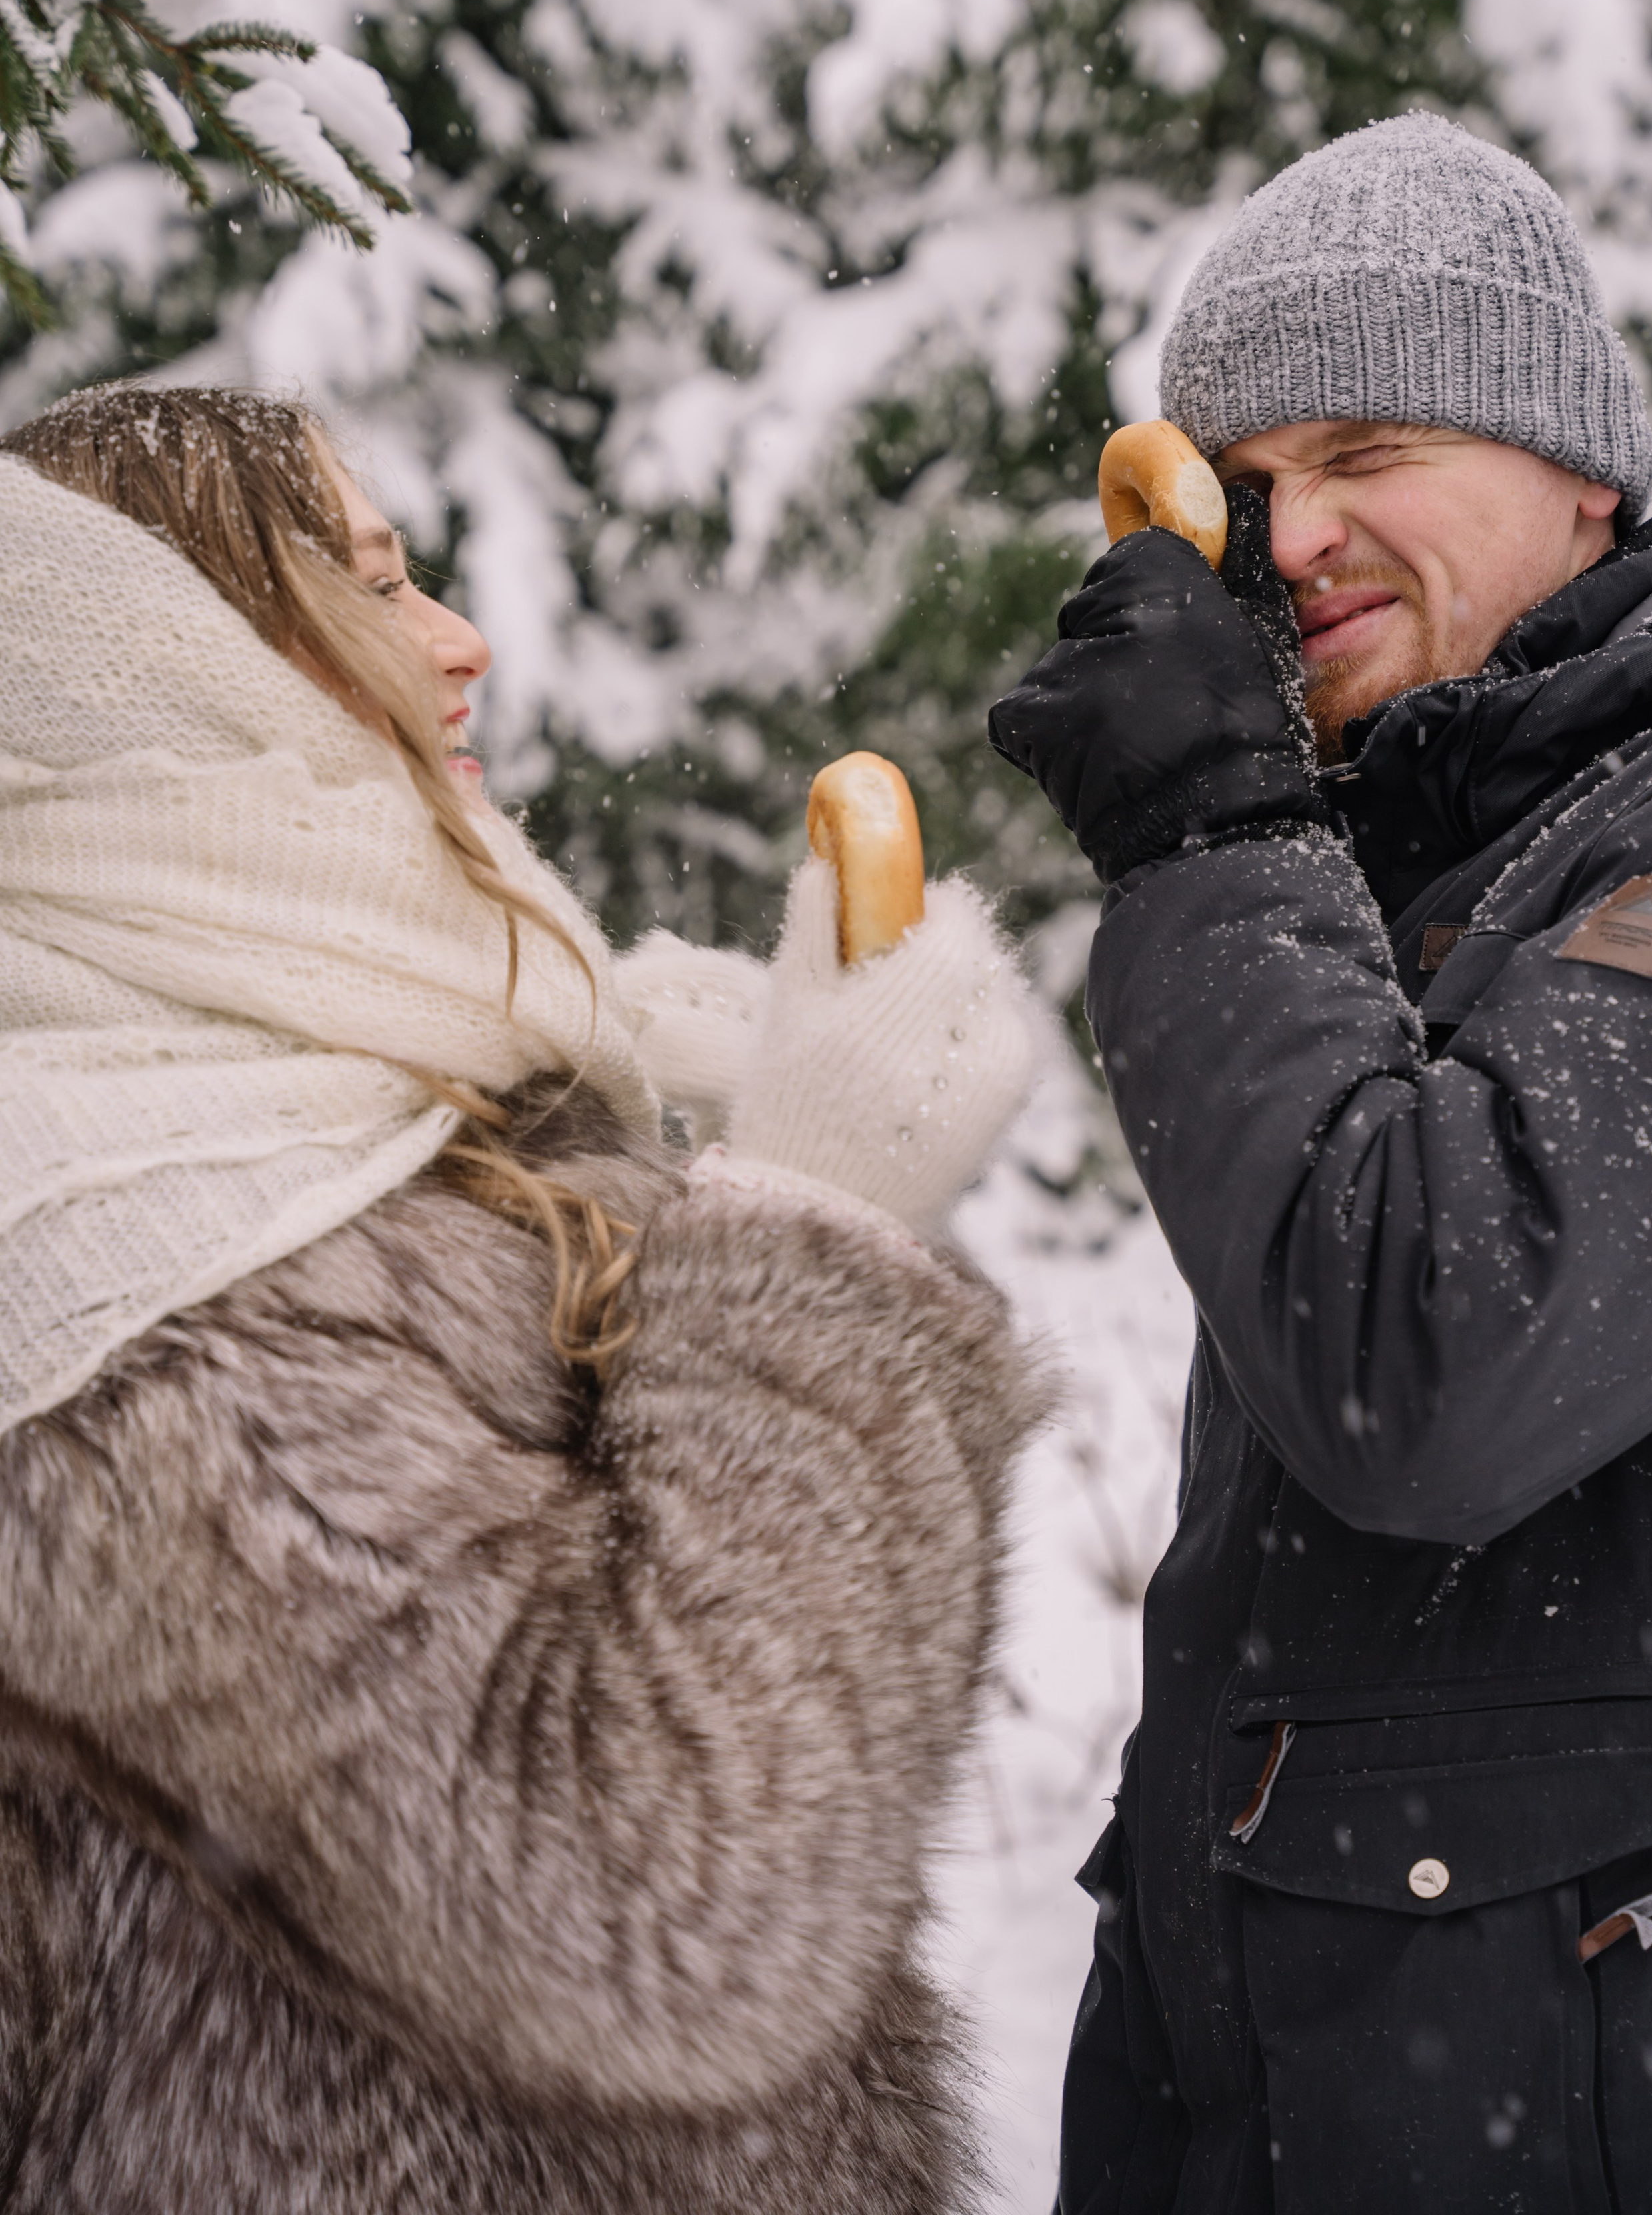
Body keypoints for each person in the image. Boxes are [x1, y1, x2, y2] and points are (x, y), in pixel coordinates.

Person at [0, 379, 1040, 2214]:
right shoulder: (128, 1291)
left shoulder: (285, 1124)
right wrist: (819, 1224)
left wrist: (624, 1161)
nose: (460, 641)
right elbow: (664, 1911)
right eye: (374, 590)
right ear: (178, 675)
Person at [990, 111, 1652, 2212]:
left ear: (1582, 466)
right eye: (1252, 485)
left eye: (1369, 449)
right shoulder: (1402, 870)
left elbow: (1429, 1348)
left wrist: (1210, 831)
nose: (1293, 540)